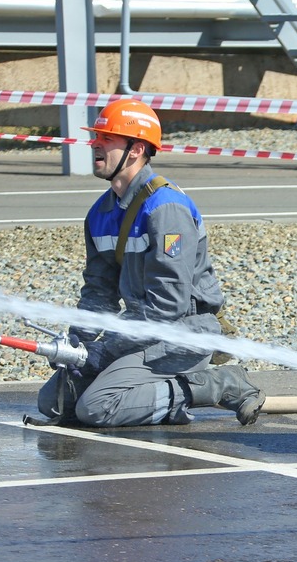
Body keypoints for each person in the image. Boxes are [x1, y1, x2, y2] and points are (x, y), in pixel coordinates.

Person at [35, 98, 265, 427]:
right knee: (54, 404)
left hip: (182, 335)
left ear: (136, 149)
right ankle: (151, 392)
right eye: (96, 137)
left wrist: (109, 349)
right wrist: (80, 345)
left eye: (107, 138)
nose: (95, 144)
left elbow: (168, 306)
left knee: (97, 408)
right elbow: (98, 290)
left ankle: (221, 383)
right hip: (142, 333)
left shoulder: (165, 210)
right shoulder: (101, 214)